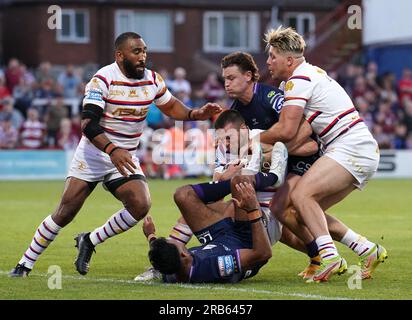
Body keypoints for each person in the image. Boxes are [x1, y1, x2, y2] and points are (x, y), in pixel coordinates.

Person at [9, 32, 221, 277]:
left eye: (144, 51)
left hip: (124, 156)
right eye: (136, 52)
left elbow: (170, 105)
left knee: (141, 205)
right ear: (120, 55)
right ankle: (25, 263)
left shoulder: (152, 80)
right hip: (94, 154)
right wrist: (112, 149)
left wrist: (195, 114)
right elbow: (88, 123)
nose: (143, 57)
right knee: (65, 212)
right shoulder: (102, 80)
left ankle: (89, 240)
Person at [259, 26, 387, 281]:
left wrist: (253, 139)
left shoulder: (299, 79)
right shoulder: (307, 77)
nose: (268, 61)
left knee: (302, 195)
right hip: (356, 148)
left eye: (273, 56)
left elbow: (286, 129)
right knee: (298, 210)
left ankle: (329, 258)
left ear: (289, 60)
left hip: (351, 146)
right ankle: (367, 249)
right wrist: (269, 151)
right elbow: (303, 132)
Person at [141, 141, 289, 284]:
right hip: (247, 242)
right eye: (174, 243)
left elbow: (161, 256)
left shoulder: (171, 270)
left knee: (182, 195)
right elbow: (262, 255)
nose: (174, 240)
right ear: (183, 254)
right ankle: (274, 177)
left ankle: (229, 180)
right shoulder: (213, 266)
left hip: (219, 237)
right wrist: (252, 211)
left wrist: (151, 236)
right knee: (241, 182)